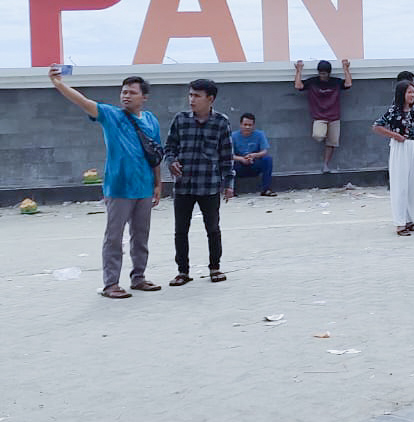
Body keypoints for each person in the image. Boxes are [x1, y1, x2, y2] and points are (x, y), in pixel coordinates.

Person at [49, 66, 162, 299]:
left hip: (143, 187)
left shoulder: (151, 120)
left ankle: (138, 278)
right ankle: (111, 284)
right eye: (123, 91)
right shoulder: (111, 115)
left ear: (144, 97)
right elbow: (83, 101)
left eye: (132, 92)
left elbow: (156, 154)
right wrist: (59, 84)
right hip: (118, 188)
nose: (126, 95)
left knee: (141, 235)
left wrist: (158, 184)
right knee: (114, 236)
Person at [162, 79, 235, 287]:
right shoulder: (180, 119)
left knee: (212, 228)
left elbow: (226, 155)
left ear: (210, 99)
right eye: (190, 95)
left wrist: (229, 183)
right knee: (180, 230)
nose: (192, 100)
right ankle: (182, 272)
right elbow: (169, 147)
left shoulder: (221, 122)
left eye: (197, 96)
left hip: (209, 184)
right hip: (183, 185)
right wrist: (171, 161)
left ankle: (215, 267)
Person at [374, 81, 414, 236]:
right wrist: (394, 135)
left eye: (413, 92)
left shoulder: (412, 110)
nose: (412, 95)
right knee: (400, 184)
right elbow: (377, 126)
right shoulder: (393, 111)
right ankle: (400, 223)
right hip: (400, 147)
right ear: (401, 94)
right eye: (409, 92)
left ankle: (412, 219)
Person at [294, 59, 352, 173]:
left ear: (329, 73)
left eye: (324, 73)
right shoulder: (313, 82)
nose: (322, 76)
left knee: (332, 143)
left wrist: (346, 69)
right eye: (320, 73)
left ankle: (326, 164)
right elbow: (298, 86)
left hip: (334, 116)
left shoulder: (335, 82)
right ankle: (324, 134)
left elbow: (348, 84)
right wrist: (299, 71)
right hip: (319, 116)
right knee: (318, 135)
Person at [231, 113, 276, 197]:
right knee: (227, 162)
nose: (247, 127)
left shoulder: (260, 134)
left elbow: (264, 151)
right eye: (245, 124)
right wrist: (241, 159)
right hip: (239, 165)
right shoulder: (233, 136)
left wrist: (254, 155)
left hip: (254, 164)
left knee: (268, 159)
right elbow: (228, 154)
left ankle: (266, 189)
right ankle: (230, 190)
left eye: (250, 125)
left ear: (253, 125)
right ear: (240, 125)